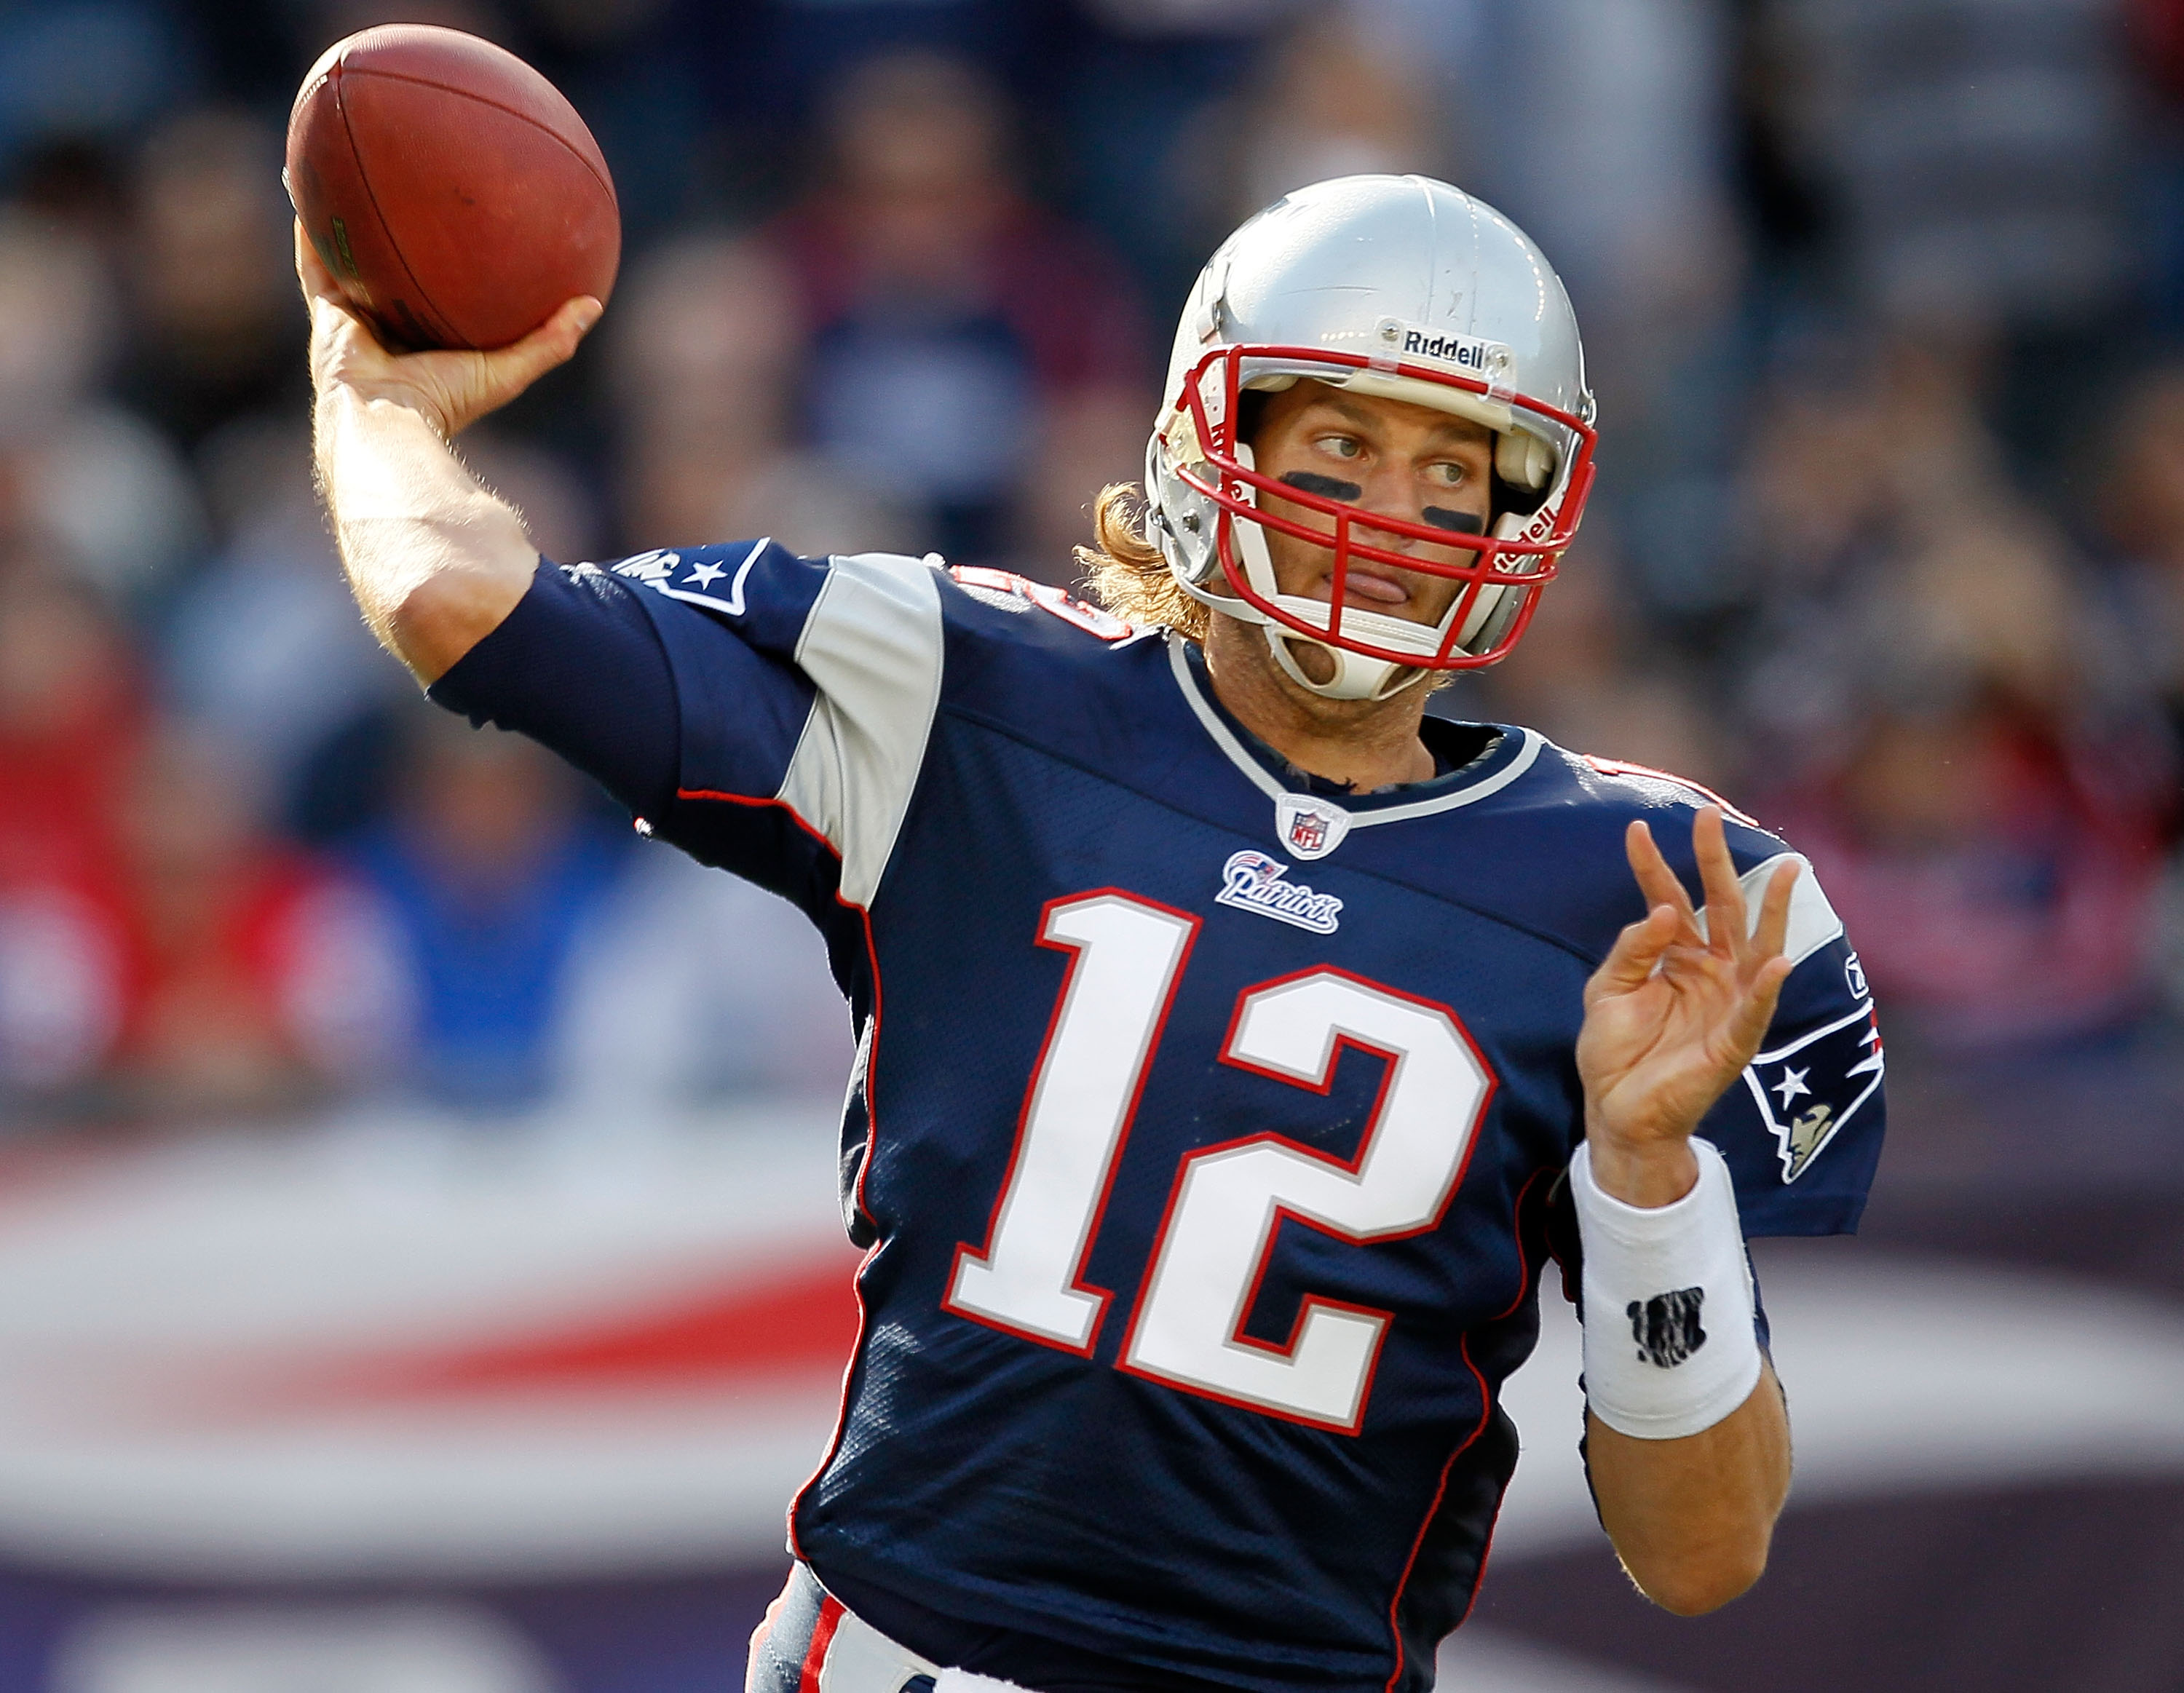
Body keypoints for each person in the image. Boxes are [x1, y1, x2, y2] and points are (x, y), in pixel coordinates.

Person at [299, 175, 1886, 1692]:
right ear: (1220, 429)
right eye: (1341, 441)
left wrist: (1648, 1174)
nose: (1395, 512)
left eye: (1454, 468)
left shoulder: (1642, 892)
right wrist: (371, 400)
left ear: (1527, 499)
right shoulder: (967, 696)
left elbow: (1704, 1552)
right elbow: (460, 598)